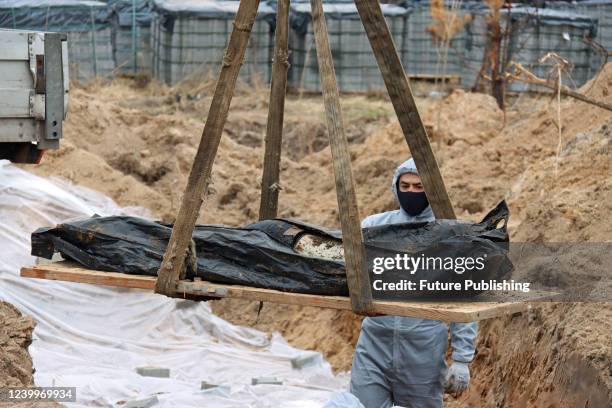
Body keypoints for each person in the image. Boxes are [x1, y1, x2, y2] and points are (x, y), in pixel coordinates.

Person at [350, 158, 477, 408]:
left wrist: (462, 359)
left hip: (423, 350)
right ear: (395, 187)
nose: (411, 192)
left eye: (419, 187)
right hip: (375, 343)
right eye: (405, 186)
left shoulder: (451, 235)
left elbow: (463, 298)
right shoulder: (374, 227)